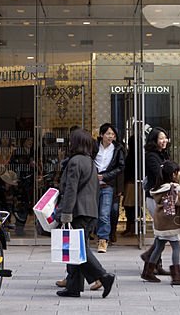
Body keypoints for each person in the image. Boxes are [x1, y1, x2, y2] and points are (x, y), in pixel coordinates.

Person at [55, 128, 116, 299]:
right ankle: (73, 287)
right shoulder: (90, 162)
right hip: (90, 211)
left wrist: (66, 213)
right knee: (76, 247)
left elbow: (70, 190)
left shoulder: (75, 162)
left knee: (77, 248)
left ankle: (104, 276)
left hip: (77, 212)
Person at [149, 160, 180, 285]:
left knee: (159, 246)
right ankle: (176, 275)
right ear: (174, 174)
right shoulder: (173, 188)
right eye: (178, 172)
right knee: (176, 247)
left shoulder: (159, 189)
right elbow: (177, 202)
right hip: (170, 223)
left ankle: (149, 271)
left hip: (161, 223)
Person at [141, 127, 172, 280]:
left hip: (164, 197)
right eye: (161, 138)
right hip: (155, 197)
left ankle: (153, 263)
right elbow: (161, 175)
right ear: (154, 140)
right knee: (164, 231)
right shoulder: (152, 156)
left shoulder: (163, 154)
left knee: (164, 231)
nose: (164, 140)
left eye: (165, 137)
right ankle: (151, 262)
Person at [92, 123, 124, 253]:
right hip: (92, 185)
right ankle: (89, 235)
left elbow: (120, 167)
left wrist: (105, 176)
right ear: (101, 135)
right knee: (93, 212)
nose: (111, 136)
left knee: (105, 213)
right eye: (108, 134)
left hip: (107, 185)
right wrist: (93, 175)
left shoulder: (117, 149)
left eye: (112, 134)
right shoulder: (94, 147)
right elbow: (88, 160)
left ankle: (103, 240)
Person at [120, 133, 140, 237]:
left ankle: (131, 228)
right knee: (135, 207)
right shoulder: (140, 155)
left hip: (130, 183)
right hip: (136, 183)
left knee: (130, 207)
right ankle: (135, 227)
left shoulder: (131, 155)